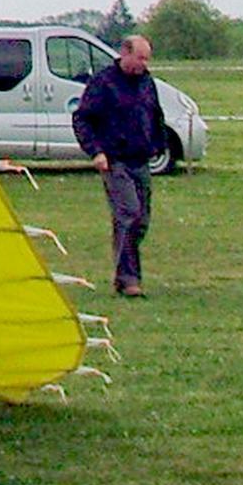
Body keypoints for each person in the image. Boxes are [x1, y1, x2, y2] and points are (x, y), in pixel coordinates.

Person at [71, 33, 168, 299]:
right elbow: (82, 119)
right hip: (115, 161)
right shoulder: (103, 82)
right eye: (140, 58)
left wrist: (159, 143)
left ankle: (122, 274)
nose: (144, 64)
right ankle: (130, 280)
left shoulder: (147, 81)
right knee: (129, 214)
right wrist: (96, 151)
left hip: (141, 160)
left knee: (141, 221)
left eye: (147, 59)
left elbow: (154, 112)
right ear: (124, 54)